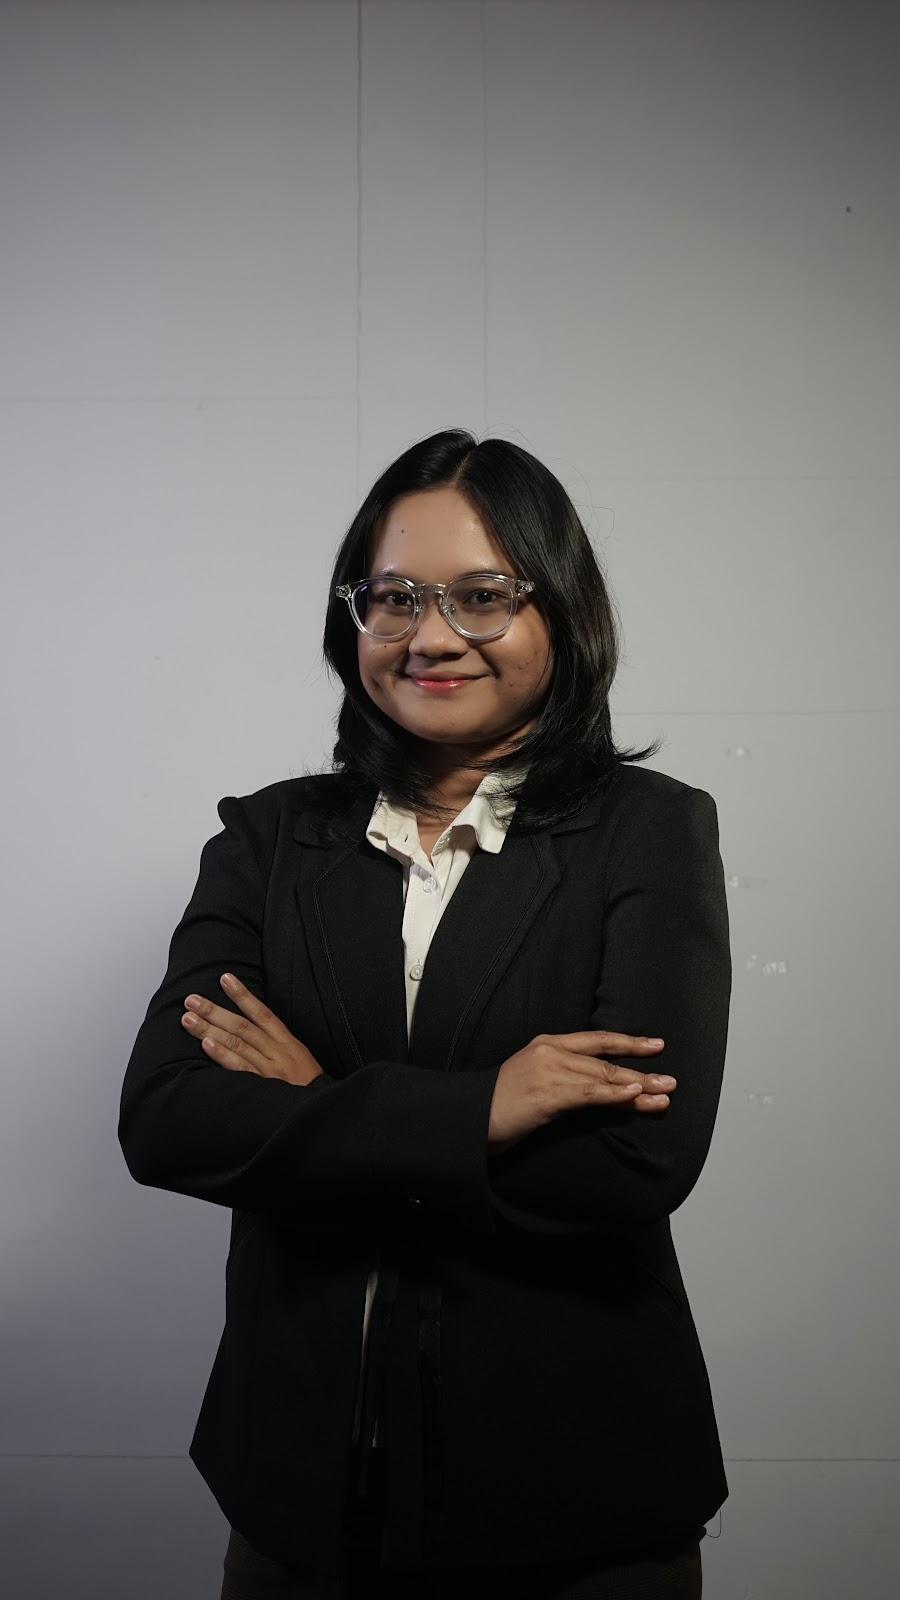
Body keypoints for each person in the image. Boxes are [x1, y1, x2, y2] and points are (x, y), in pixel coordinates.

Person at [118, 428, 731, 1598]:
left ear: (563, 611)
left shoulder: (646, 831)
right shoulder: (270, 837)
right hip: (298, 1496)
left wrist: (313, 1105)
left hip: (576, 1499)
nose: (432, 635)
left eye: (482, 595)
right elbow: (167, 1119)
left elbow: (632, 1163)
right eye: (393, 596)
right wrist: (484, 1110)